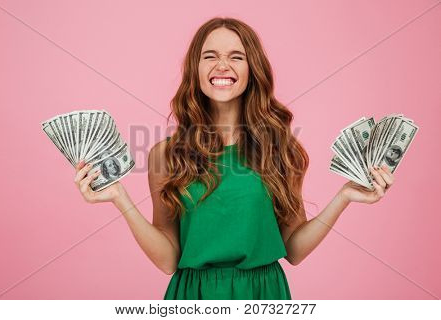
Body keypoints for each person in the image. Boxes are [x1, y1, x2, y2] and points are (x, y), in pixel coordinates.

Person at [73, 17, 395, 300]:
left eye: (236, 57)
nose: (222, 66)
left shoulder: (280, 149)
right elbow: (168, 259)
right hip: (194, 298)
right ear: (195, 70)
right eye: (209, 56)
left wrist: (345, 196)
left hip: (264, 296)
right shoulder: (166, 156)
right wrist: (119, 197)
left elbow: (294, 249)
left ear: (251, 69)